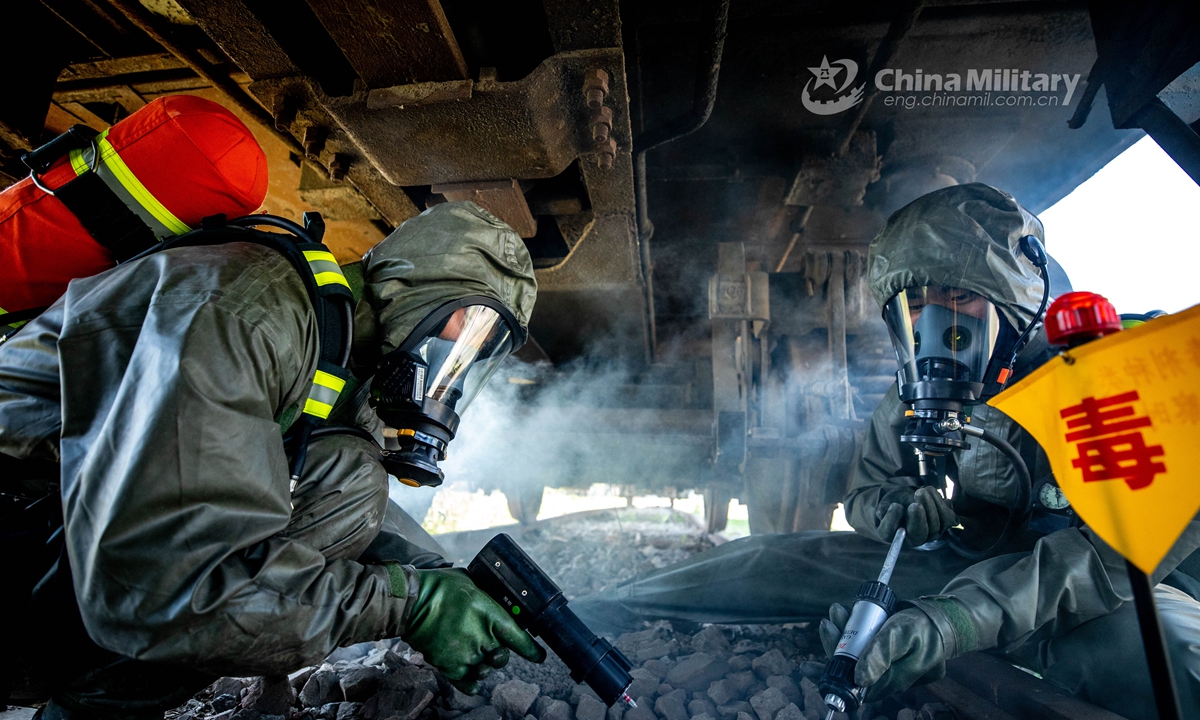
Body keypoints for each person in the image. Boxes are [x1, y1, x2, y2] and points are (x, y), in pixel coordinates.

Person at [570, 184, 1200, 720]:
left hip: (1118, 587)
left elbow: (1109, 559)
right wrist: (894, 511)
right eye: (916, 304)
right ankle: (597, 611)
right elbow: (866, 490)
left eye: (959, 298)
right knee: (774, 559)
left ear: (1018, 302)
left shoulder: (1121, 370)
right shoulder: (920, 385)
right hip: (975, 570)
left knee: (1171, 650)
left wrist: (954, 621)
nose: (937, 326)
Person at [0, 200, 543, 719]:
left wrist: (434, 572)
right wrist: (408, 603)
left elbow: (325, 492)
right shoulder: (250, 315)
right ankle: (96, 707)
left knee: (350, 478)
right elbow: (174, 580)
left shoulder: (333, 347)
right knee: (341, 489)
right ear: (407, 285)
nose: (464, 354)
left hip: (50, 529)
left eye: (486, 346)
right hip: (19, 518)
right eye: (468, 324)